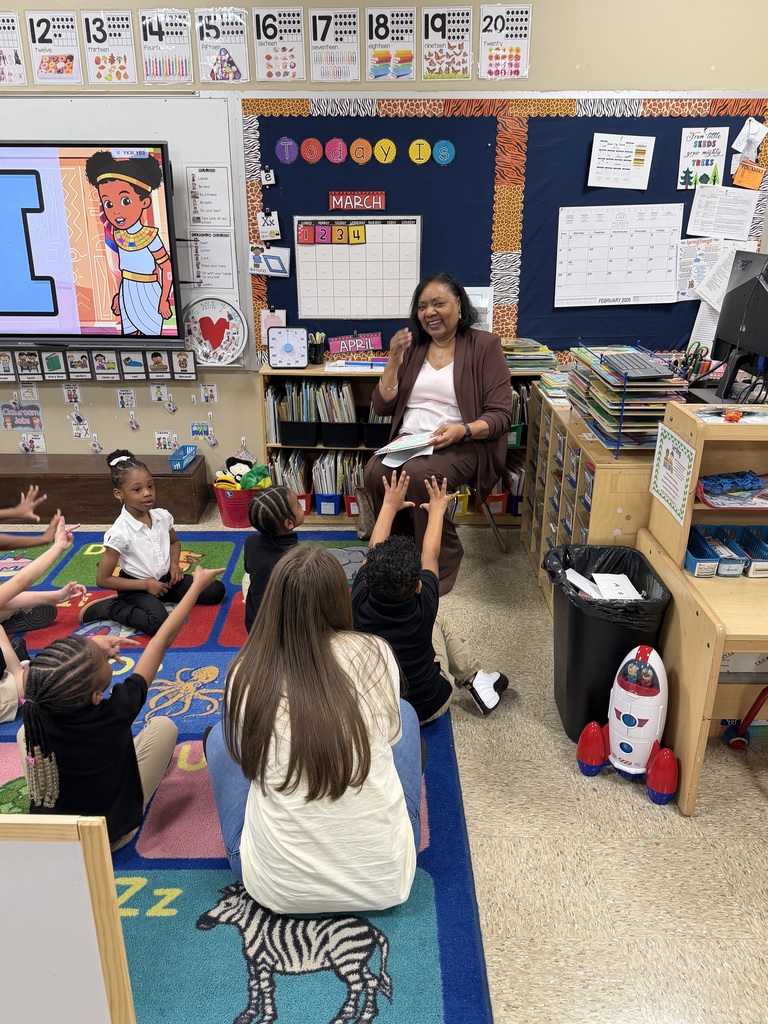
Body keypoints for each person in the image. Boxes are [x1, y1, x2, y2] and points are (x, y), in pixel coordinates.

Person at [205, 544, 420, 914]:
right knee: (404, 714)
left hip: (274, 888)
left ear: (273, 601)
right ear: (341, 597)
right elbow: (389, 737)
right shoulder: (374, 650)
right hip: (388, 879)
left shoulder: (245, 669)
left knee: (220, 740)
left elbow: (248, 757)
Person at [19, 565, 224, 850]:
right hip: (111, 835)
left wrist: (93, 645)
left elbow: (49, 668)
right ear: (95, 696)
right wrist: (196, 586)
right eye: (100, 660)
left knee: (23, 735)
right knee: (164, 726)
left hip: (58, 830)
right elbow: (162, 640)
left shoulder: (37, 703)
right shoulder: (115, 713)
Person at [364, 273, 512, 594]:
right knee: (375, 472)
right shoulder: (414, 348)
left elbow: (501, 416)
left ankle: (437, 560)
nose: (429, 312)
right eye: (422, 306)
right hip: (410, 441)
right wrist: (393, 361)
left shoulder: (485, 346)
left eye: (439, 303)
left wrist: (463, 430)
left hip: (463, 443)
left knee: (420, 476)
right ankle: (395, 554)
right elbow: (382, 405)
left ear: (459, 306)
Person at [353, 471, 508, 722]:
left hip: (377, 711)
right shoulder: (424, 607)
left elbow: (373, 550)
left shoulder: (358, 598)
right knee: (439, 621)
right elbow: (430, 555)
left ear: (368, 577)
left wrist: (389, 506)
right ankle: (474, 677)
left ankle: (475, 678)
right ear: (418, 587)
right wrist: (437, 512)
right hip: (428, 707)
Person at [78, 449, 226, 635]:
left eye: (151, 486)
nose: (147, 493)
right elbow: (103, 579)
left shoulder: (162, 516)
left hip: (166, 581)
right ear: (118, 494)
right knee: (159, 624)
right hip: (136, 587)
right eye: (137, 489)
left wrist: (174, 564)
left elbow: (174, 542)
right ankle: (111, 607)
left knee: (216, 591)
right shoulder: (119, 532)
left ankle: (158, 598)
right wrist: (147, 585)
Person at [84, 150, 174, 337]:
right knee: (130, 337)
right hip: (127, 291)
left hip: (149, 293)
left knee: (151, 338)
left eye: (125, 201)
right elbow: (125, 270)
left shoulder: (151, 236)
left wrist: (164, 299)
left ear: (144, 202)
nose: (115, 211)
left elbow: (167, 268)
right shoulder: (118, 235)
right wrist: (119, 295)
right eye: (108, 204)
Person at [0, 514, 81, 722]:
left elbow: (6, 593)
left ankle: (18, 658)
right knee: (51, 679)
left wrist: (57, 596)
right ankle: (21, 663)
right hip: (5, 693)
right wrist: (57, 547)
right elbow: (20, 582)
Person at [242, 486, 304, 632]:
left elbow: (249, 569)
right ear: (289, 523)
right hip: (286, 630)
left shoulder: (250, 542)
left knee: (248, 576)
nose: (301, 506)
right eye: (299, 505)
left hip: (254, 623)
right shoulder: (299, 557)